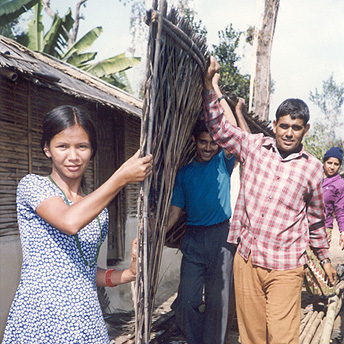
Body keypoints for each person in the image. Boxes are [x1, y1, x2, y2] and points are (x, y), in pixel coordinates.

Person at [202, 56, 337, 344]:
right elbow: (220, 130)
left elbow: (315, 220)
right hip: (248, 259)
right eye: (284, 125)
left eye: (296, 127)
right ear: (274, 125)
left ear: (305, 130)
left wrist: (325, 260)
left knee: (282, 336)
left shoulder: (312, 168)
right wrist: (208, 87)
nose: (289, 133)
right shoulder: (253, 147)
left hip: (287, 265)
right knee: (251, 337)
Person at [2, 105, 153, 344]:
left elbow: (87, 272)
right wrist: (121, 176)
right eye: (62, 146)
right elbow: (69, 221)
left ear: (92, 150)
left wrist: (130, 274)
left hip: (85, 322)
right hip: (39, 320)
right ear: (47, 149)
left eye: (82, 146)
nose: (73, 156)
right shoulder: (32, 186)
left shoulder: (97, 211)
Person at [167, 77, 249, 344]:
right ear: (195, 141)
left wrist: (214, 89)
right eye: (203, 142)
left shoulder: (222, 164)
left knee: (219, 300)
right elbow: (175, 213)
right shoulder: (184, 174)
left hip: (221, 237)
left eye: (213, 142)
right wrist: (155, 234)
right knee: (188, 299)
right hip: (192, 239)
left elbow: (234, 130)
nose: (208, 147)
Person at [323, 147, 344, 245]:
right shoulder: (315, 176)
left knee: (319, 259)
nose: (332, 167)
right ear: (324, 162)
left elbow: (340, 209)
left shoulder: (339, 184)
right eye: (329, 163)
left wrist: (342, 231)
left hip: (324, 227)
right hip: (304, 224)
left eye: (336, 164)